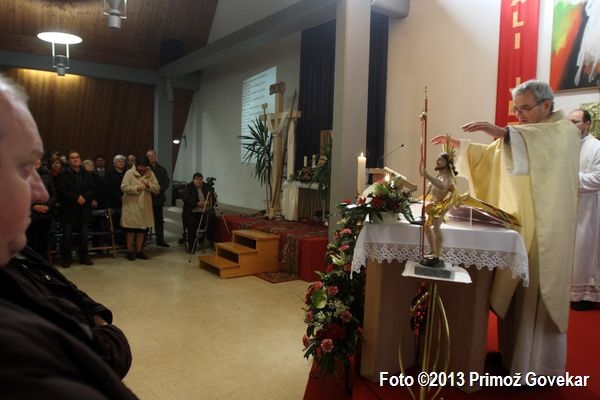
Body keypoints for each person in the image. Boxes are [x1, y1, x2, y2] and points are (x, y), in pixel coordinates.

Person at [0, 74, 138, 398]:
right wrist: (108, 334)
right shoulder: (16, 360)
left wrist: (96, 314)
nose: (39, 192)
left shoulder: (14, 255)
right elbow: (104, 359)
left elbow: (61, 286)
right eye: (24, 167)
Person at [453, 80, 580, 377]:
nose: (519, 115)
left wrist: (501, 132)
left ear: (546, 105)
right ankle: (513, 359)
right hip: (525, 227)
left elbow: (535, 144)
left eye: (524, 108)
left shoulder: (563, 132)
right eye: (516, 109)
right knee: (518, 297)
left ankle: (538, 369)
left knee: (535, 295)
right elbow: (494, 158)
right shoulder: (525, 135)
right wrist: (463, 149)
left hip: (547, 231)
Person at [569, 108, 600, 311]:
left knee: (585, 250)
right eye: (568, 122)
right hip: (567, 205)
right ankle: (568, 290)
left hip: (589, 206)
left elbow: (598, 178)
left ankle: (585, 295)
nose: (570, 126)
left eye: (575, 122)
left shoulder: (596, 147)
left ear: (587, 124)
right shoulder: (566, 146)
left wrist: (570, 178)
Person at [420, 146, 460, 267]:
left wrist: (428, 176)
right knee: (427, 227)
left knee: (436, 228)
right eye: (438, 159)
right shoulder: (439, 176)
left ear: (447, 163)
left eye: (441, 160)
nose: (437, 161)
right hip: (433, 205)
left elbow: (443, 186)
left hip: (440, 206)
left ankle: (438, 253)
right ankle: (433, 250)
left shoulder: (448, 177)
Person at [55, 150, 97, 267]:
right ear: (69, 161)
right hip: (68, 209)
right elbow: (62, 190)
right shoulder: (63, 174)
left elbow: (93, 189)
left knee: (84, 235)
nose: (75, 159)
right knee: (67, 235)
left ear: (80, 159)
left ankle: (84, 257)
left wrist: (84, 197)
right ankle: (66, 259)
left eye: (77, 157)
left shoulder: (87, 173)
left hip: (84, 209)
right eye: (72, 158)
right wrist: (76, 198)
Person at [120, 155, 160, 261]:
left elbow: (157, 188)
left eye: (144, 167)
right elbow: (123, 187)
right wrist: (137, 188)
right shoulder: (129, 173)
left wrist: (148, 184)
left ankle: (139, 251)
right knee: (131, 230)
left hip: (145, 206)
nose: (142, 169)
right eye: (140, 166)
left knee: (141, 230)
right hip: (132, 206)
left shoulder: (150, 173)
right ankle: (129, 251)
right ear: (136, 165)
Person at [25, 159, 56, 259]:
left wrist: (48, 206)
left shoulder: (48, 176)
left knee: (43, 239)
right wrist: (33, 206)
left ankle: (43, 262)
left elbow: (54, 194)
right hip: (29, 214)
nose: (36, 161)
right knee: (30, 240)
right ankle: (32, 262)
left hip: (45, 214)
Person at [181, 173, 216, 252]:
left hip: (205, 212)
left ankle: (211, 240)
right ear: (193, 180)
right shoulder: (188, 187)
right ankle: (192, 246)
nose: (199, 181)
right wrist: (197, 203)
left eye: (200, 179)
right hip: (192, 213)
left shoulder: (206, 187)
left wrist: (208, 202)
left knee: (212, 218)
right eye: (197, 179)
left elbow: (213, 199)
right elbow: (186, 198)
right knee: (192, 223)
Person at [146, 149, 171, 247]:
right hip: (147, 197)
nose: (152, 157)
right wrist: (152, 190)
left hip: (158, 197)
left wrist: (158, 190)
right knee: (145, 219)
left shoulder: (162, 169)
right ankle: (143, 240)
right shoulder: (145, 169)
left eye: (153, 155)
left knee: (159, 221)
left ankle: (160, 240)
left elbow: (166, 182)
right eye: (149, 156)